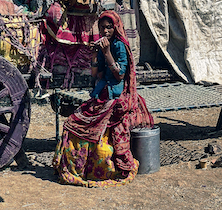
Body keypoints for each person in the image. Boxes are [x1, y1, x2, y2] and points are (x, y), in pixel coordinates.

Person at [53, 10, 154, 188]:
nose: (105, 31)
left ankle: (101, 169)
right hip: (102, 93)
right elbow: (96, 74)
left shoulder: (119, 46)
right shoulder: (102, 45)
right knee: (72, 122)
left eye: (109, 27)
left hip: (115, 95)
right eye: (102, 27)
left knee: (92, 127)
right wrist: (94, 55)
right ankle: (76, 168)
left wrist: (107, 52)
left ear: (115, 28)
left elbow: (120, 75)